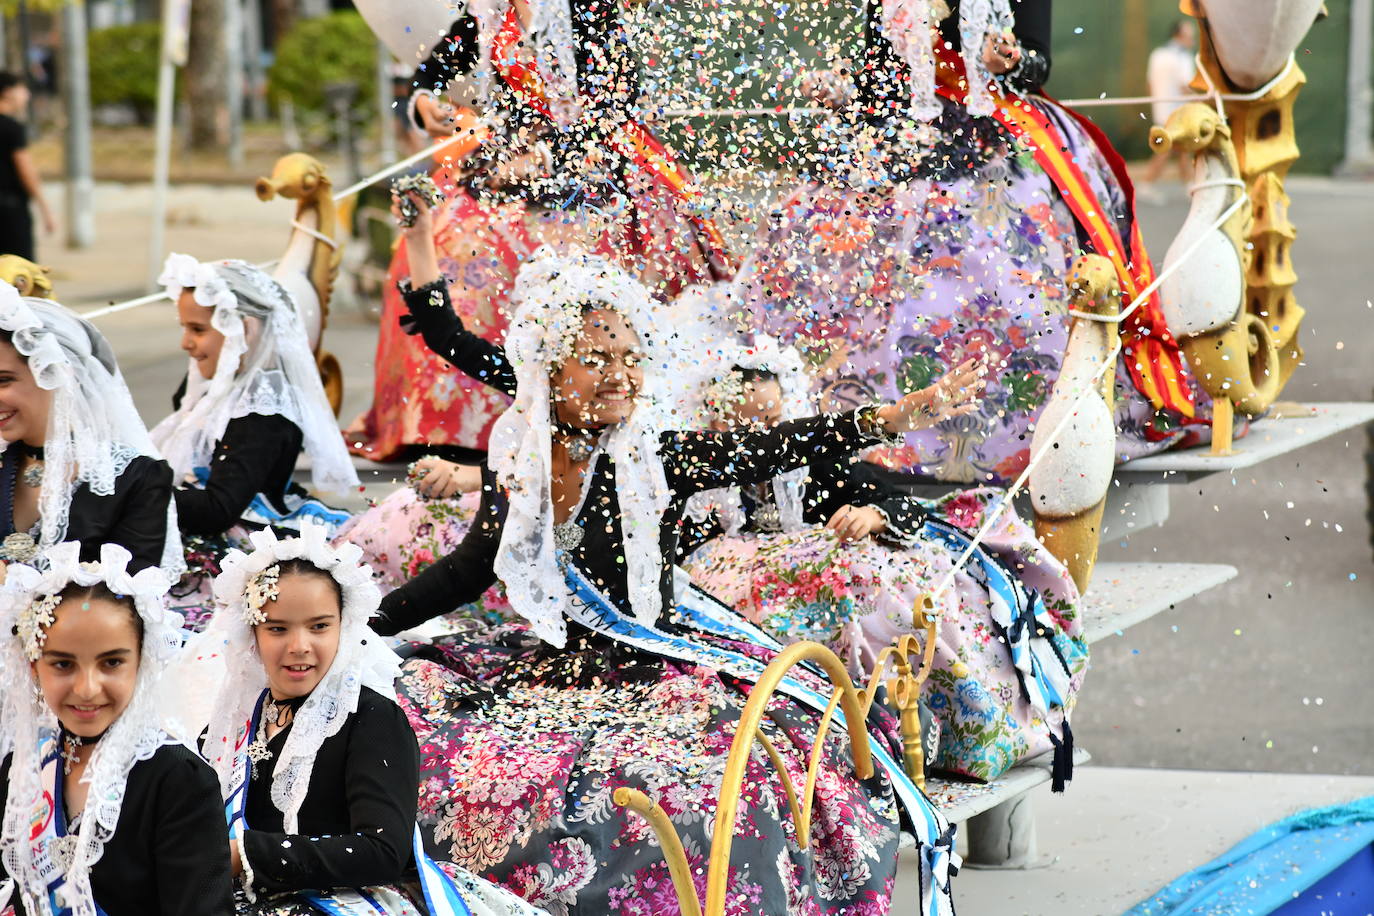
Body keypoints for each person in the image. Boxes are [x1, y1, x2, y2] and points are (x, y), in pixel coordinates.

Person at [369, 248, 977, 914]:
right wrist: (361, 624)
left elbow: (771, 447)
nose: (620, 377)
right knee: (421, 741)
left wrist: (885, 421)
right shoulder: (519, 464)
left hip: (661, 667)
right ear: (548, 369)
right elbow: (467, 570)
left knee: (711, 784)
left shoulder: (653, 458)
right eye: (596, 360)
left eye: (631, 359)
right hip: (552, 673)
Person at [743, 0, 1209, 487]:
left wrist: (1009, 60)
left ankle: (1033, 432)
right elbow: (877, 69)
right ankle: (848, 425)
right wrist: (843, 87)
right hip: (899, 130)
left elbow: (1036, 62)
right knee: (822, 235)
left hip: (999, 123)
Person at [677, 336, 1086, 785]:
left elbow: (899, 505)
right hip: (756, 600)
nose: (761, 444)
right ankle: (863, 736)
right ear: (711, 424)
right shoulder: (693, 490)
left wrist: (872, 516)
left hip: (840, 576)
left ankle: (960, 722)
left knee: (903, 578)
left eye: (773, 423)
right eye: (741, 429)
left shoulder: (814, 465)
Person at [345, 0, 733, 461]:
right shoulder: (492, 11)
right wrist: (425, 99)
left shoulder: (595, 9)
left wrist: (549, 157)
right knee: (440, 238)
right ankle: (450, 424)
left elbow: (612, 104)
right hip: (511, 166)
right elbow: (440, 63)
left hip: (601, 167)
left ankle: (590, 403)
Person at [179, 524, 547, 916]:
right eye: (277, 629)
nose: (299, 645)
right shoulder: (233, 724)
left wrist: (247, 855)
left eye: (320, 626)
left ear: (345, 626)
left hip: (350, 899)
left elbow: (383, 851)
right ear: (252, 634)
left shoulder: (371, 718)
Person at [0, 542, 234, 916]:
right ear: (33, 667)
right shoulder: (23, 765)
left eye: (111, 663)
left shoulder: (177, 779)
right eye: (63, 665)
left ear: (141, 663)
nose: (87, 688)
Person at [151, 254, 358, 628]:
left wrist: (139, 489)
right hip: (204, 515)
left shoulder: (262, 411)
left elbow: (219, 509)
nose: (185, 343)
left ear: (245, 330)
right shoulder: (213, 386)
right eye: (184, 327)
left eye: (197, 330)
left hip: (241, 539)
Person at [0, 285, 177, 573]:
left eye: (3, 380)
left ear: (56, 372)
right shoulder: (6, 458)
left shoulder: (135, 478)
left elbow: (128, 600)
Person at [1139, 19, 1199, 199]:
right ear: (1181, 35)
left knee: (1181, 149)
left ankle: (1189, 185)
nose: (1193, 40)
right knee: (1167, 150)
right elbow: (1185, 86)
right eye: (1190, 36)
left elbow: (1149, 84)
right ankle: (1146, 184)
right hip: (1177, 113)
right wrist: (1202, 102)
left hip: (1162, 110)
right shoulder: (1183, 58)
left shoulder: (1157, 55)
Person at [0, 73, 54, 261]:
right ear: (7, 93)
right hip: (9, 210)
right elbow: (26, 171)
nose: (27, 95)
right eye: (22, 90)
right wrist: (44, 207)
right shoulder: (12, 128)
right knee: (20, 270)